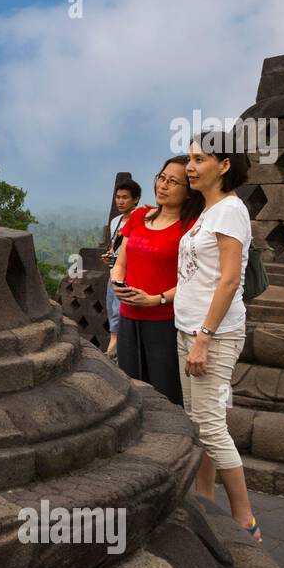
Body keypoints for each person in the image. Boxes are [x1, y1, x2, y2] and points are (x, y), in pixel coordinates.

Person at [175, 131, 259, 542]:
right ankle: (204, 496)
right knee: (199, 419)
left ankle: (245, 519)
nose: (190, 167)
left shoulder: (229, 211)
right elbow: (197, 277)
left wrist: (205, 337)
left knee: (209, 424)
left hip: (213, 334)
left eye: (201, 159)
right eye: (189, 159)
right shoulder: (207, 212)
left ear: (224, 165)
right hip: (188, 329)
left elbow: (228, 282)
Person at [110, 157, 202, 405]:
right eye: (161, 178)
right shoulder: (139, 217)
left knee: (164, 393)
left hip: (165, 321)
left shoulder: (191, 229)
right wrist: (117, 282)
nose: (163, 185)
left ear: (189, 192)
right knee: (129, 389)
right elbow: (121, 262)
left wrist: (156, 299)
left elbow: (193, 281)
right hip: (128, 316)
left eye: (173, 182)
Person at [102, 180, 140, 358]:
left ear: (136, 200)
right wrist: (109, 255)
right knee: (112, 311)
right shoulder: (116, 221)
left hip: (131, 274)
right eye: (118, 197)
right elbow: (114, 248)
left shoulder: (140, 220)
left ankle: (118, 351)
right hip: (114, 273)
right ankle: (113, 347)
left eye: (125, 197)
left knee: (122, 311)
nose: (120, 201)